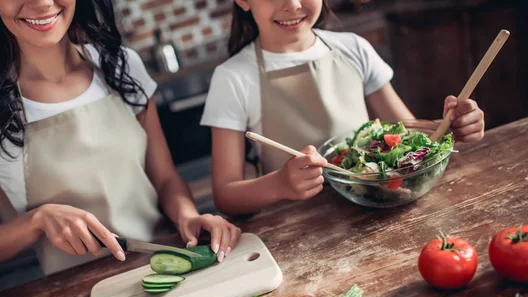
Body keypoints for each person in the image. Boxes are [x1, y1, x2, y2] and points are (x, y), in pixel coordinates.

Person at [0, 0, 241, 274]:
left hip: (165, 264)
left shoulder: (122, 65)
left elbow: (164, 179)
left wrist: (188, 217)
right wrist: (37, 221)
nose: (42, 3)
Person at [200, 0, 486, 215]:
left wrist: (450, 128)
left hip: (378, 209)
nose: (293, 5)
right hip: (297, 227)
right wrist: (279, 185)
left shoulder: (355, 48)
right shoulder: (233, 77)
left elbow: (411, 140)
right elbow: (225, 195)